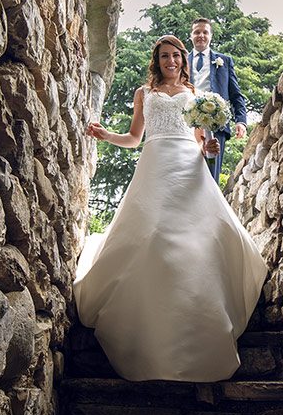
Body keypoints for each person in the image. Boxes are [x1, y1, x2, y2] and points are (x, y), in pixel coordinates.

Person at [73, 35, 268, 382]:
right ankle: (148, 328)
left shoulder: (196, 97)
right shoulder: (143, 94)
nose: (171, 61)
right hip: (155, 161)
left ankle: (198, 320)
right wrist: (106, 136)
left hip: (188, 165)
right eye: (164, 56)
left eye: (176, 56)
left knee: (196, 237)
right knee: (154, 233)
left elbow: (200, 143)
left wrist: (209, 148)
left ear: (183, 59)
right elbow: (135, 138)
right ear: (157, 60)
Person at [188, 18, 248, 183]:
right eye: (197, 32)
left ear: (211, 36)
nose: (201, 35)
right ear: (191, 36)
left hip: (216, 125)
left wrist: (241, 121)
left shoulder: (224, 61)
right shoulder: (181, 62)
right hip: (186, 125)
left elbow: (236, 95)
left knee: (210, 177)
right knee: (187, 173)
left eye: (205, 32)